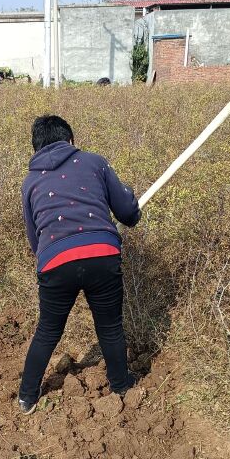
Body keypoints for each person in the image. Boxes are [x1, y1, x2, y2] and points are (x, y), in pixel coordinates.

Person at [18, 114, 141, 414]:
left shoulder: (30, 182)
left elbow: (35, 239)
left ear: (35, 149)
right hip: (102, 254)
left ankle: (27, 396)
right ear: (70, 140)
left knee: (48, 329)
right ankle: (121, 385)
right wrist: (133, 212)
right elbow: (127, 211)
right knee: (109, 326)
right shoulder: (94, 162)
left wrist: (51, 260)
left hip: (54, 261)